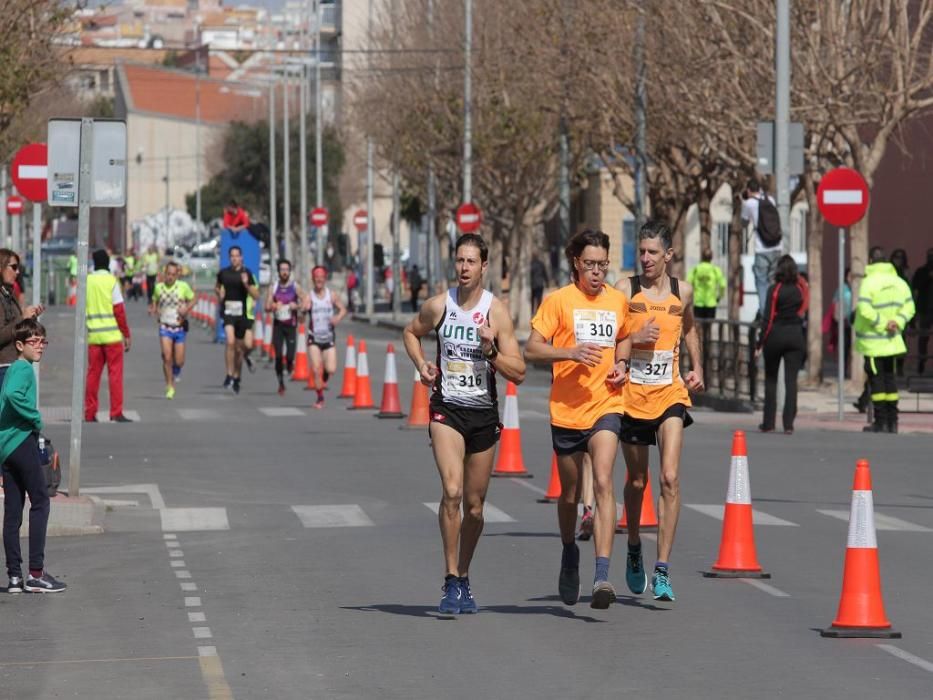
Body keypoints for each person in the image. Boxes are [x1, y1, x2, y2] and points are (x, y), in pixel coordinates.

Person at [402, 233, 525, 614]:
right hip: (447, 410)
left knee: (474, 507)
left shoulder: (496, 312)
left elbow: (518, 371)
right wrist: (422, 365)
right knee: (452, 491)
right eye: (459, 261)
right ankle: (450, 578)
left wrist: (490, 350)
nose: (464, 268)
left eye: (471, 261)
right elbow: (410, 332)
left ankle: (465, 575)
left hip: (483, 414)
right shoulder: (439, 306)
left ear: (485, 266)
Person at [524, 228, 630, 609]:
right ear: (576, 263)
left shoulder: (618, 301)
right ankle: (570, 551)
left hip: (607, 404)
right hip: (566, 411)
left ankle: (602, 575)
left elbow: (625, 336)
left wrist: (622, 362)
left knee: (603, 480)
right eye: (590, 264)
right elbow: (532, 349)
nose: (597, 271)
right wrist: (569, 352)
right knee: (569, 493)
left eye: (603, 264)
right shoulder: (558, 302)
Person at [614, 220, 704, 603]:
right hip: (633, 395)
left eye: (653, 252)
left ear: (668, 255)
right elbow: (614, 337)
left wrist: (697, 368)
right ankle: (634, 544)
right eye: (642, 251)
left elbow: (689, 330)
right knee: (637, 481)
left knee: (669, 477)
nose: (646, 258)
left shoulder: (683, 291)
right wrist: (633, 341)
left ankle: (663, 568)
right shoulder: (625, 290)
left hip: (670, 393)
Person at [1, 318, 64, 593]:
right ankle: (36, 573)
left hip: (5, 447)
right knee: (40, 501)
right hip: (20, 442)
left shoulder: (14, 369)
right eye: (33, 342)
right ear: (19, 345)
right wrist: (35, 417)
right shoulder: (23, 369)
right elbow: (14, 395)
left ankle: (14, 576)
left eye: (43, 341)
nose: (40, 346)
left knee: (13, 512)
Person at [855, 246, 916, 433]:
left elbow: (865, 310)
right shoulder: (899, 282)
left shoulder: (869, 282)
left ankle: (880, 422)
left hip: (874, 343)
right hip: (892, 342)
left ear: (871, 262)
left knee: (877, 382)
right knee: (890, 380)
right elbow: (909, 308)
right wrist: (896, 322)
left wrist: (882, 323)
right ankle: (893, 422)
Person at [755, 255, 809, 434]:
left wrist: (759, 343)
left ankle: (769, 423)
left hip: (776, 336)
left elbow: (768, 318)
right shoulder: (799, 289)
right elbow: (804, 310)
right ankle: (789, 424)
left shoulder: (775, 289)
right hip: (795, 336)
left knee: (771, 380)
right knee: (791, 381)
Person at [85, 249, 132, 423]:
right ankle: (116, 412)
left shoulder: (87, 281)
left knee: (93, 376)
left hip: (94, 337)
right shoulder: (112, 281)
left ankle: (90, 413)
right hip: (112, 337)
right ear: (107, 263)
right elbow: (119, 310)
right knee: (115, 375)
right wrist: (126, 333)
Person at [216, 246, 259, 395]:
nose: (234, 258)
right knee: (230, 341)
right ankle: (229, 375)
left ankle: (237, 376)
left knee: (241, 349)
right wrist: (219, 293)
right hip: (228, 312)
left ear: (241, 257)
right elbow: (217, 287)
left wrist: (246, 284)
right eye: (232, 256)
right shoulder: (223, 273)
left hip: (242, 315)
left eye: (237, 256)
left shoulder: (247, 273)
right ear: (229, 258)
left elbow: (256, 295)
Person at [149, 261, 195, 400]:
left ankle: (175, 371)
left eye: (173, 275)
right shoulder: (158, 287)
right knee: (167, 356)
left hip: (179, 327)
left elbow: (193, 299)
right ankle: (169, 385)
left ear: (177, 275)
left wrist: (186, 309)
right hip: (165, 327)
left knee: (179, 361)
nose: (170, 277)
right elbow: (155, 300)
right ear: (164, 274)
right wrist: (154, 309)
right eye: (168, 274)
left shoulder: (183, 287)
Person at [305, 266, 347, 409]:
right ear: (313, 279)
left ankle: (324, 379)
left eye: (321, 276)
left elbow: (343, 309)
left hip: (328, 337)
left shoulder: (332, 295)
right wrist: (303, 309)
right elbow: (301, 312)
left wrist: (337, 318)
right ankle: (320, 397)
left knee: (331, 369)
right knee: (316, 368)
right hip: (314, 337)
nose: (319, 279)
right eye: (316, 277)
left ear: (325, 278)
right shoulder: (309, 296)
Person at [0, 250, 42, 387]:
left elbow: (14, 326)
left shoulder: (8, 294)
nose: (17, 272)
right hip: (4, 367)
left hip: (12, 365)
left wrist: (30, 318)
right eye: (13, 267)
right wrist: (21, 318)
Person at [741, 178, 782, 317]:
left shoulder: (749, 204)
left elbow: (744, 223)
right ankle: (775, 310)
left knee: (761, 282)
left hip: (762, 249)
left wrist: (743, 203)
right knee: (773, 281)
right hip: (777, 247)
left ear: (748, 190)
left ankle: (766, 314)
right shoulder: (770, 200)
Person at [265, 259, 305, 396]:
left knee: (289, 355)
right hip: (278, 326)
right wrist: (274, 306)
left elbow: (306, 302)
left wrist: (297, 306)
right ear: (278, 271)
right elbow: (267, 306)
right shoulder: (274, 287)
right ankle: (281, 383)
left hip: (291, 325)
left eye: (287, 270)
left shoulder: (295, 287)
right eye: (282, 269)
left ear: (290, 271)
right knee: (278, 356)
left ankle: (289, 364)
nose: (284, 272)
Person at [687, 249, 726, 320]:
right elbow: (723, 285)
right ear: (711, 257)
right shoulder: (715, 269)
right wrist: (720, 296)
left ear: (702, 257)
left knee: (698, 325)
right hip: (711, 303)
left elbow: (688, 282)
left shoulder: (696, 269)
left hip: (698, 302)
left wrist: (691, 296)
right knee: (709, 326)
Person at [912, 247, 933, 374]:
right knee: (923, 338)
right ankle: (921, 362)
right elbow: (916, 287)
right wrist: (928, 277)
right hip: (925, 309)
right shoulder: (921, 271)